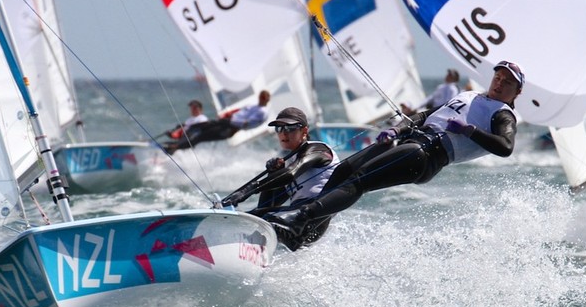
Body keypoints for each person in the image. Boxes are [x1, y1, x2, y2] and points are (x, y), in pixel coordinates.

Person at [269, 61, 524, 238]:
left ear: (517, 92)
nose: (499, 84)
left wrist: (469, 130)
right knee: (342, 171)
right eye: (498, 78)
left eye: (507, 83)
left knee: (358, 182)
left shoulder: (503, 114)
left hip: (425, 154)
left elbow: (505, 147)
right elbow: (424, 114)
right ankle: (305, 231)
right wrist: (397, 130)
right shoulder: (470, 95)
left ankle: (299, 219)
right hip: (409, 140)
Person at [220, 106, 339, 249]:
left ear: (305, 131)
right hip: (295, 216)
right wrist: (273, 173)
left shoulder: (318, 149)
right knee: (252, 217)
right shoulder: (290, 160)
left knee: (261, 220)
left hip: (311, 219)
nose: (283, 133)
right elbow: (267, 205)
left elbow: (291, 173)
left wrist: (247, 191)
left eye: (290, 128)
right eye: (279, 129)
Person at [163, 91, 271, 154]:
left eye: (264, 98)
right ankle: (176, 141)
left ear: (267, 99)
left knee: (200, 136)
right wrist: (227, 114)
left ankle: (175, 148)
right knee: (198, 127)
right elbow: (239, 111)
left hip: (229, 129)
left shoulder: (262, 112)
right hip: (226, 123)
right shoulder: (254, 106)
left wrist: (230, 121)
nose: (261, 99)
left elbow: (247, 124)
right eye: (261, 97)